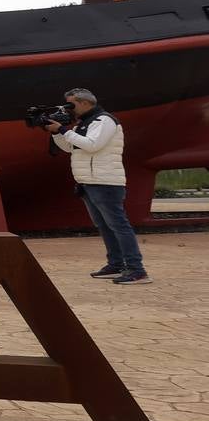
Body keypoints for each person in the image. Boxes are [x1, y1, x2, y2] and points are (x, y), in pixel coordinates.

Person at [46, 87, 150, 284]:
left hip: (106, 182)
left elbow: (92, 144)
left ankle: (137, 270)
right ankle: (116, 264)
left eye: (72, 104)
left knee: (118, 226)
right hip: (89, 182)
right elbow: (70, 147)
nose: (69, 109)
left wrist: (62, 130)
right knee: (104, 225)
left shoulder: (104, 120)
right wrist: (56, 134)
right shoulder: (84, 123)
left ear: (85, 103)